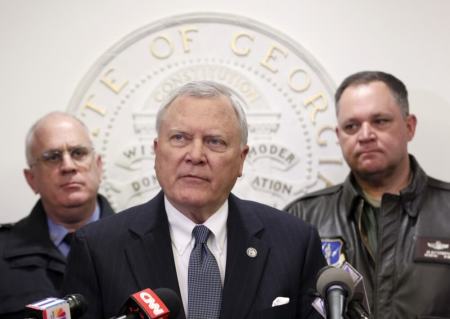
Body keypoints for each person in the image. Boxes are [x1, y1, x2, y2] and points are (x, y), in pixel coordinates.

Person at [62, 81, 326, 319]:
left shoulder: (295, 244)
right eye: (179, 138)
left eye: (215, 142)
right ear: (156, 152)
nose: (196, 155)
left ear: (241, 160)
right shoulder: (98, 248)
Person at [285, 71, 450, 318]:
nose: (365, 135)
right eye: (351, 126)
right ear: (339, 137)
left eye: (380, 121)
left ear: (409, 127)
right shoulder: (302, 217)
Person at [0, 112, 114, 319]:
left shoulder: (141, 241)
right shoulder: (3, 252)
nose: (68, 166)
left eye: (78, 153)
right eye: (52, 157)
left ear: (98, 166)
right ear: (31, 178)